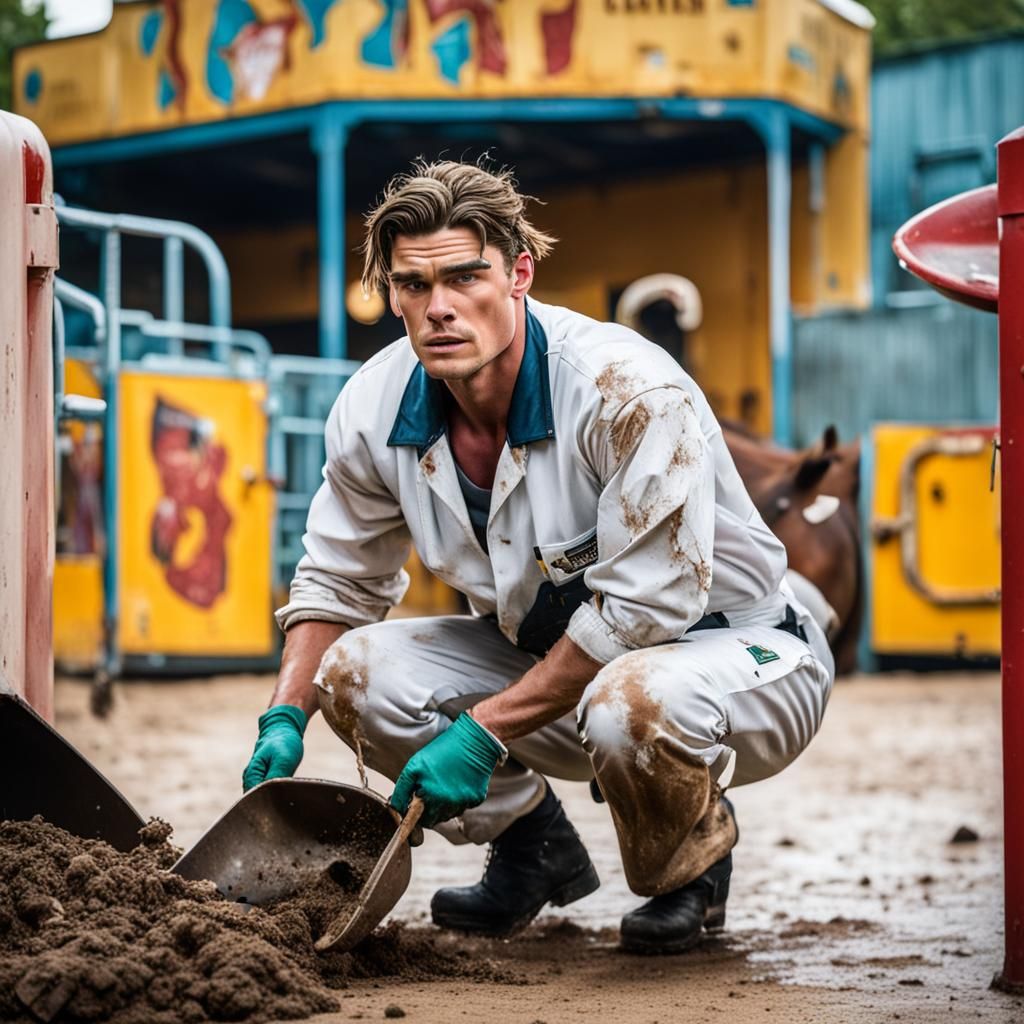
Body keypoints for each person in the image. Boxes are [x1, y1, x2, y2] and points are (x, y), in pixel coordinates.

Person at [242, 160, 835, 954]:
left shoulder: (624, 393)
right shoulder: (373, 406)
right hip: (556, 659)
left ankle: (687, 864)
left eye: (465, 276)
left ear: (520, 272)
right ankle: (533, 847)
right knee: (352, 674)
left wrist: (481, 733)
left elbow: (641, 617)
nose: (439, 307)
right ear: (391, 292)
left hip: (742, 653)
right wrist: (288, 713)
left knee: (633, 701)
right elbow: (337, 578)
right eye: (413, 285)